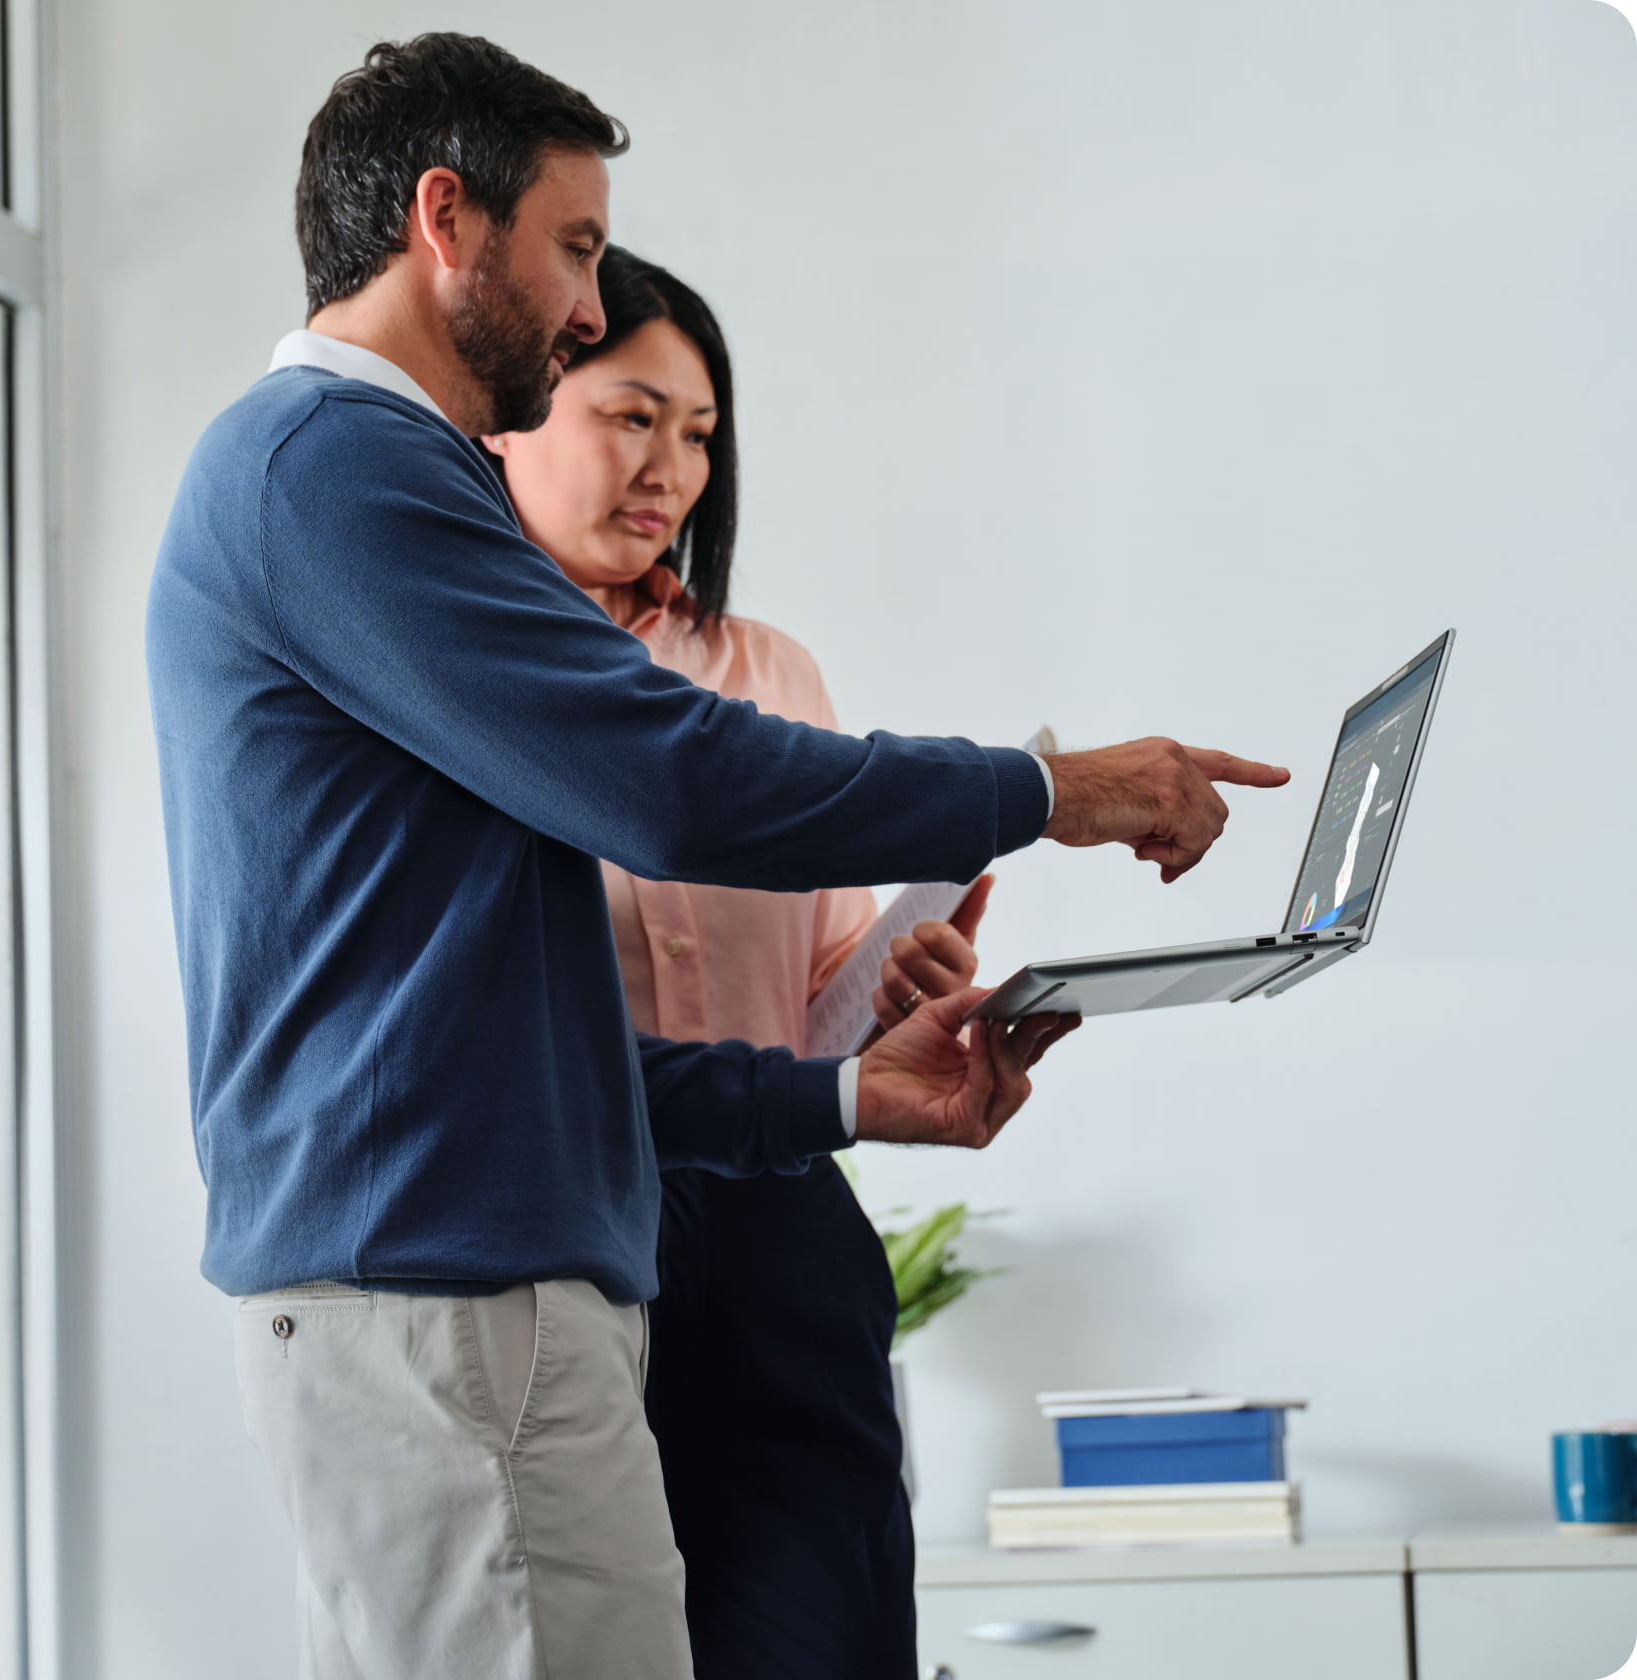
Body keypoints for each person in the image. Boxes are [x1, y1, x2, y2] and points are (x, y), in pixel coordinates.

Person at [144, 32, 1290, 1680]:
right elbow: (676, 785)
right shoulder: (336, 463)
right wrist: (1055, 791)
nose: (591, 302)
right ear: (445, 220)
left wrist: (842, 1096)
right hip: (451, 1307)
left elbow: (520, 1037)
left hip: (467, 1291)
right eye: (576, 247)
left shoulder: (347, 480)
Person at [483, 245, 984, 1680]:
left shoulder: (766, 668)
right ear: (516, 410)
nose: (670, 470)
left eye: (699, 434)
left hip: (780, 1227)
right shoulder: (470, 679)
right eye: (630, 417)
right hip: (580, 1232)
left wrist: (894, 985)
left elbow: (817, 993)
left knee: (825, 1633)